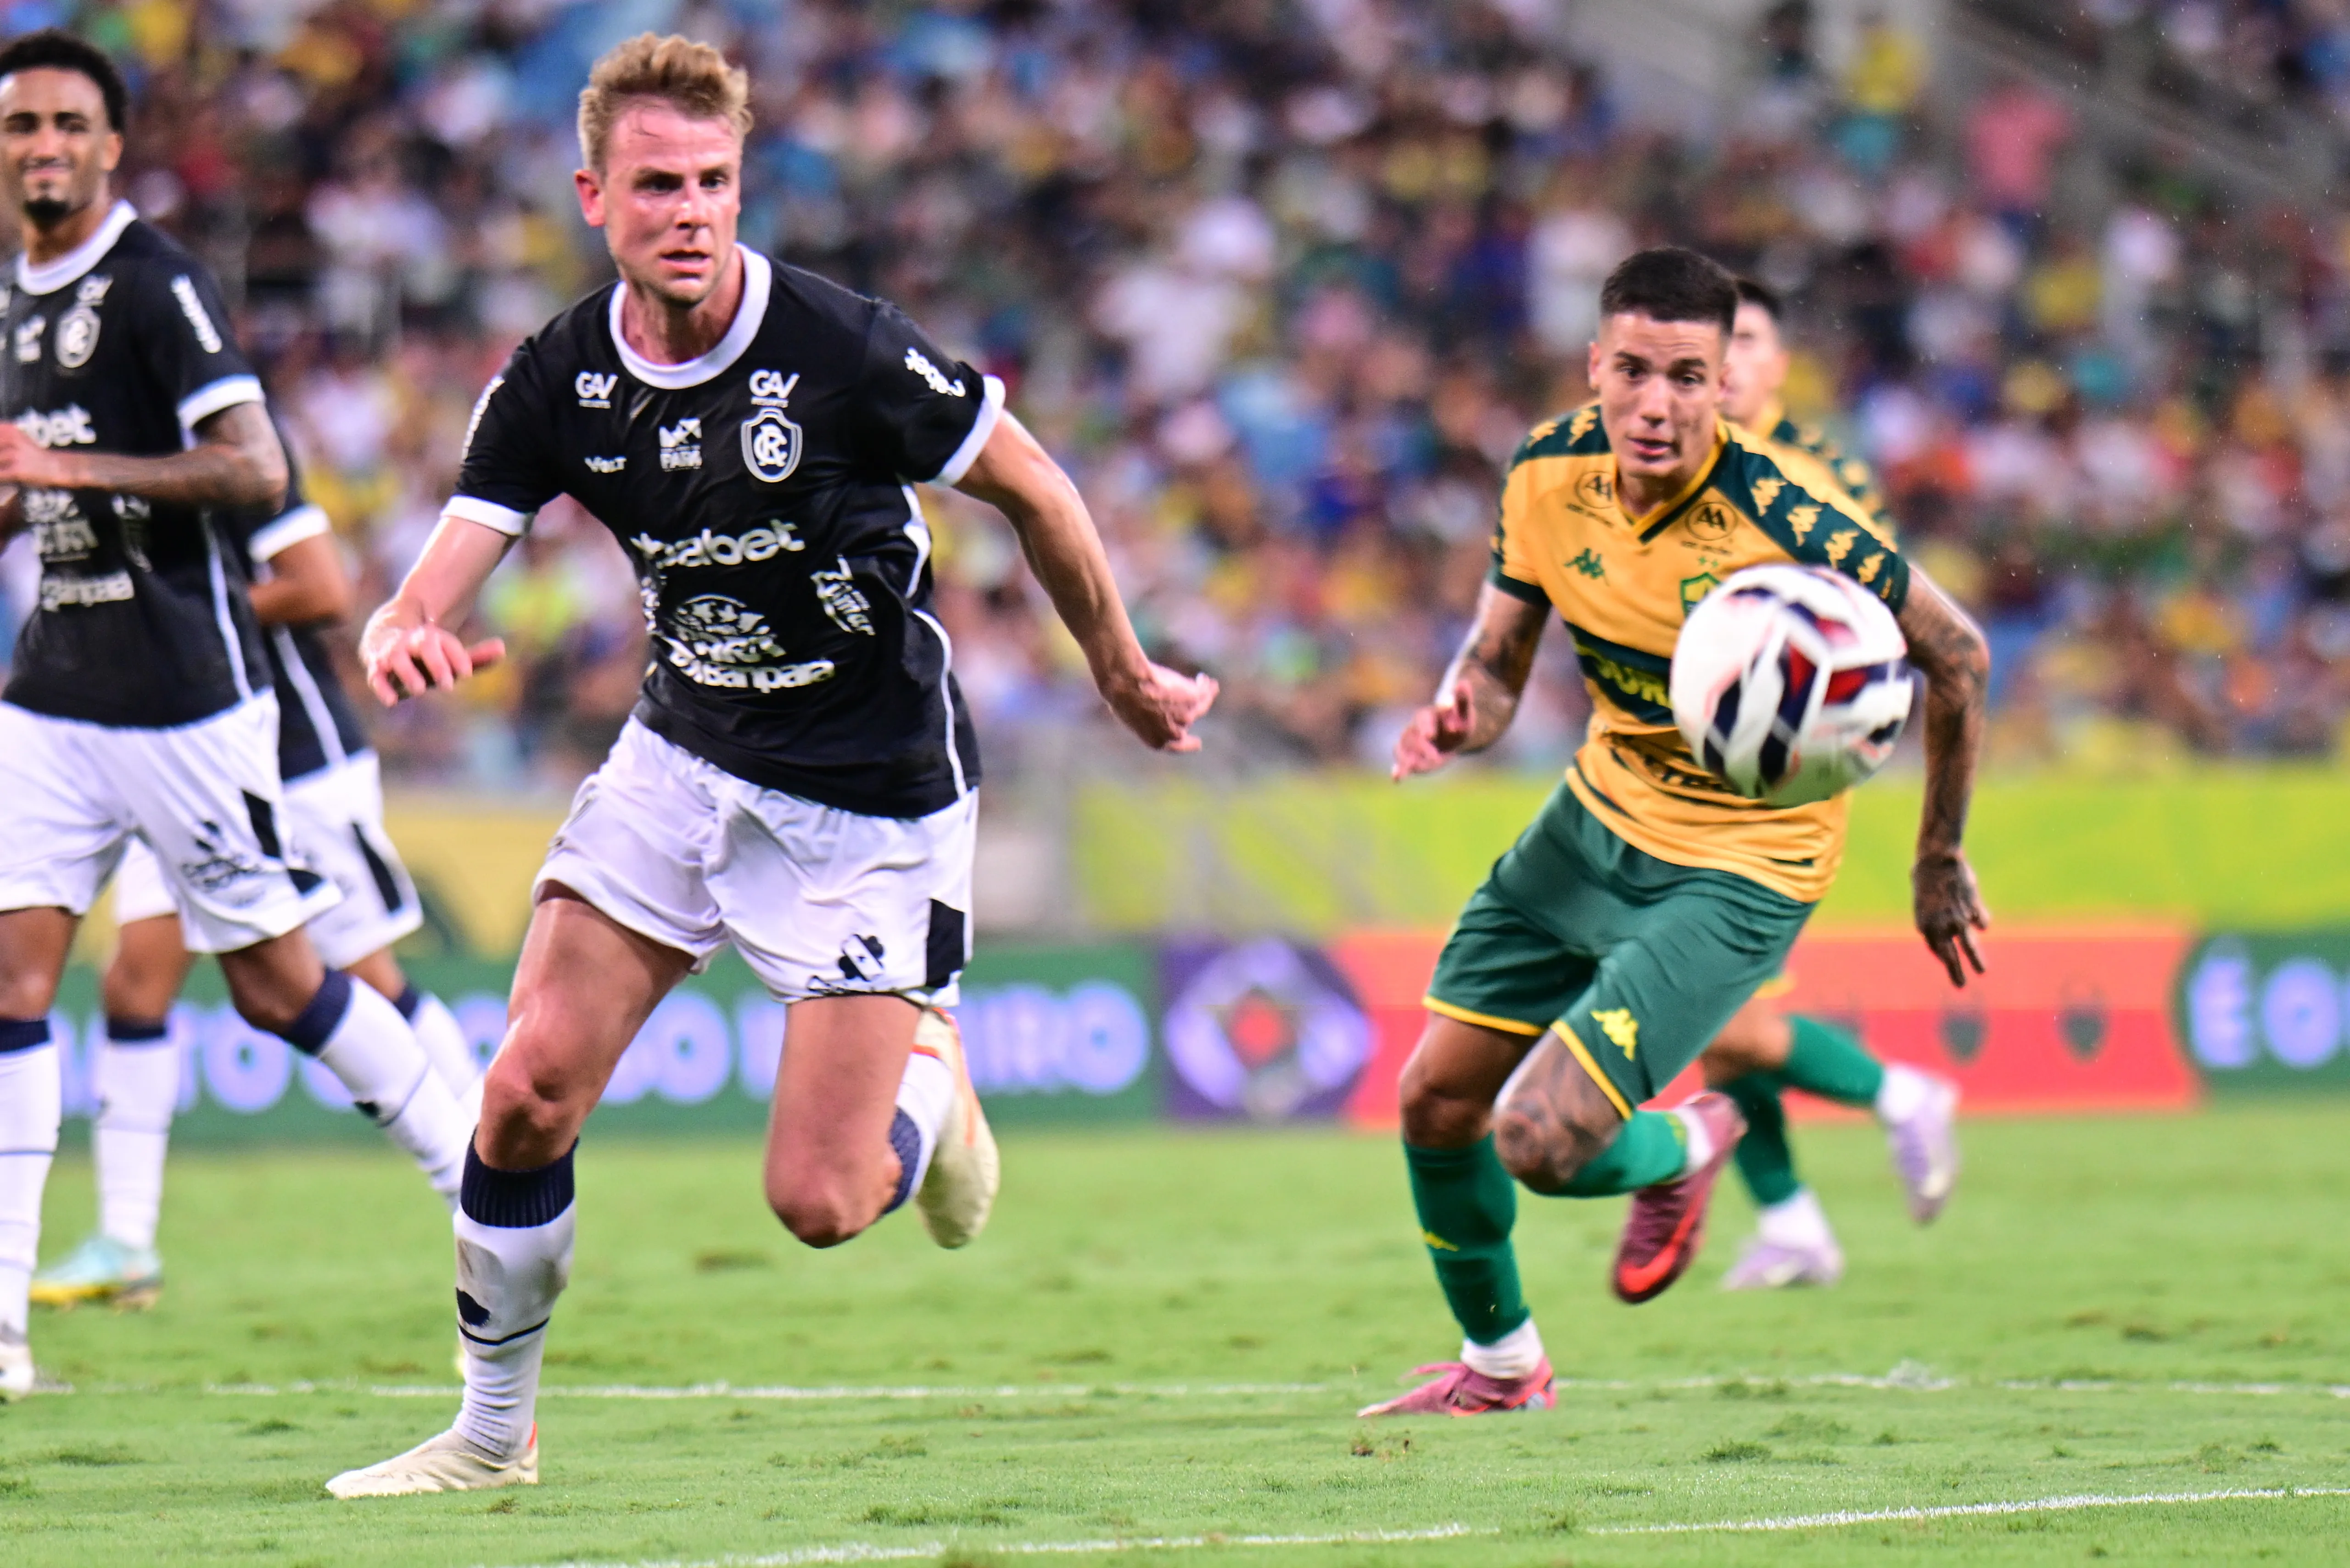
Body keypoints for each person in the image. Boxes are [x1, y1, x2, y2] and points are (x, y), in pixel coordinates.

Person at [324, 35, 1215, 1497]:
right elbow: (430, 585)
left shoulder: (842, 347)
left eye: (714, 182)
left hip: (869, 797)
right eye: (656, 185)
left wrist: (1120, 670)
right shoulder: (555, 376)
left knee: (819, 1200)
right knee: (527, 1090)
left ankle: (932, 1083)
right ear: (593, 197)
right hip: (685, 755)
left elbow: (1038, 488)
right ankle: (490, 1438)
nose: (690, 211)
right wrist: (400, 633)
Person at [1362, 248, 1989, 1417]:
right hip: (1595, 819)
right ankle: (1503, 1368)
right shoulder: (1542, 472)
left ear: (1721, 384)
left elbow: (1956, 655)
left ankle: (1691, 1144)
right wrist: (1458, 712)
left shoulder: (1787, 514)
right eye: (1635, 372)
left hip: (1744, 865)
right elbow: (1496, 668)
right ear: (1594, 366)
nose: (1658, 405)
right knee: (1434, 1101)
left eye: (1689, 377)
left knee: (1539, 1142)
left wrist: (1937, 856)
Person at [0, 31, 473, 1401]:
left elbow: (255, 465)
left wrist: (69, 471)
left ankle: (482, 1185)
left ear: (111, 146)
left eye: (68, 124)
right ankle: (9, 1328)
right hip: (52, 693)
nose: (43, 146)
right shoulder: (14, 301)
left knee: (283, 985)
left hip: (184, 702)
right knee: (17, 983)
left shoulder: (155, 284)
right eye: (21, 124)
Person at [29, 442, 482, 1310]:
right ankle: (126, 1241)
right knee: (133, 984)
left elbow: (321, 590)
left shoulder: (231, 440)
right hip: (176, 758)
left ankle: (497, 1183)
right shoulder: (100, 442)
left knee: (364, 981)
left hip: (294, 761)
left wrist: (166, 616)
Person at [1695, 275, 1961, 1291]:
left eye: (1746, 341)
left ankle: (1899, 1096)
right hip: (1691, 770)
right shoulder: (1666, 465)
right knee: (1711, 1025)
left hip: (1777, 779)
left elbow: (1884, 620)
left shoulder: (1816, 476)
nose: (1724, 361)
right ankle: (1794, 1224)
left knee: (1718, 1018)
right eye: (1712, 341)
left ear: (1779, 364)